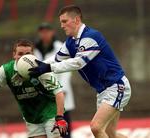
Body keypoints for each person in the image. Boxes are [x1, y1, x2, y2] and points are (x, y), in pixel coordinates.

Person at [29, 5, 131, 138]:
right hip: (103, 91)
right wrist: (37, 65)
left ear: (76, 20)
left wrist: (47, 68)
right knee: (110, 134)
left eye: (64, 21)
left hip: (116, 86)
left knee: (96, 127)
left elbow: (78, 62)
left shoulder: (90, 37)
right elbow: (56, 59)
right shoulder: (70, 42)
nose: (61, 25)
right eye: (60, 22)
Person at [0, 39, 68, 138]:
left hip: (50, 112)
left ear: (32, 55)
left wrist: (59, 117)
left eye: (27, 54)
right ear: (14, 55)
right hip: (31, 116)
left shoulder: (40, 69)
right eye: (20, 54)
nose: (24, 57)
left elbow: (59, 93)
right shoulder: (6, 70)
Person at [34, 22, 75, 138]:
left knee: (63, 123)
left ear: (52, 32)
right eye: (42, 32)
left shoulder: (60, 47)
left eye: (47, 31)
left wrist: (62, 89)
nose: (44, 34)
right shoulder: (36, 48)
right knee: (47, 126)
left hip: (60, 90)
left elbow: (67, 69)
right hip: (44, 93)